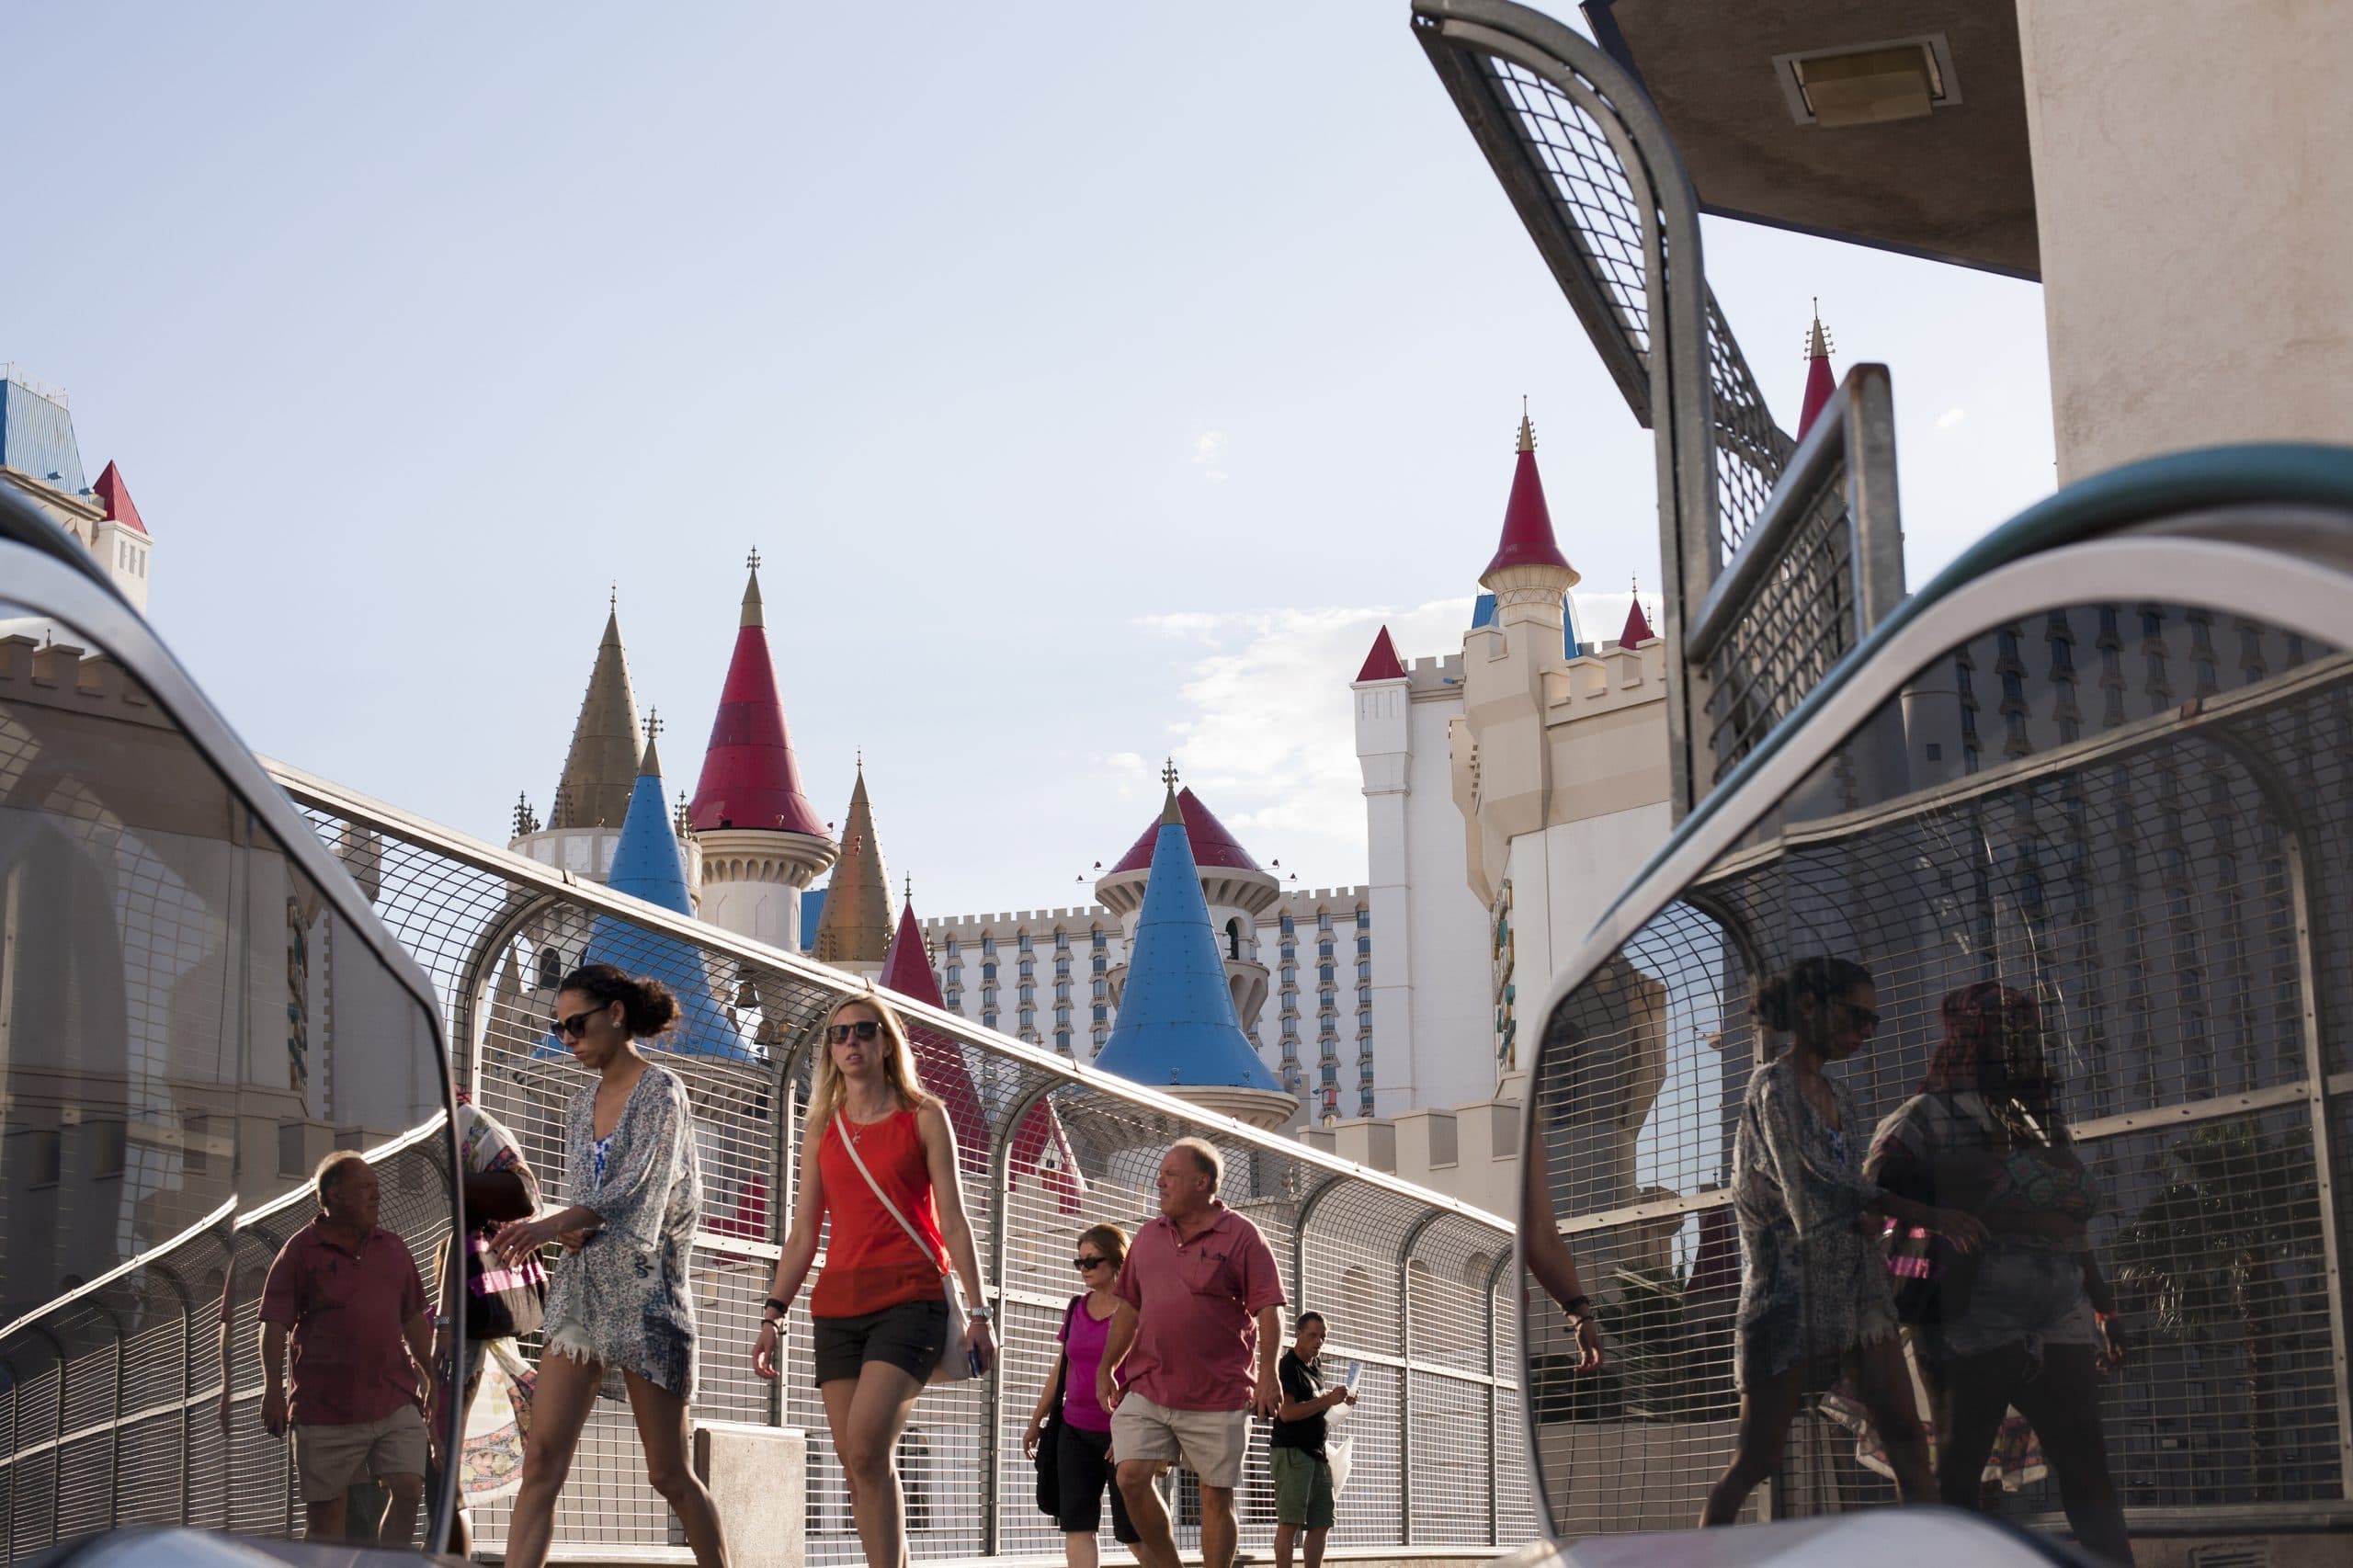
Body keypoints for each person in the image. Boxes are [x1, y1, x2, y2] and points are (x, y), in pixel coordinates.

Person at [1699, 958, 1987, 1528]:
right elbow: (1814, 1183)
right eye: (1858, 1017)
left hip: (1858, 1288)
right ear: (1811, 1007)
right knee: (1758, 1458)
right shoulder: (1772, 1086)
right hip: (1788, 1292)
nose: (1864, 1033)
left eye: (1873, 1023)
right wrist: (1918, 1212)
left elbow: (1846, 1192)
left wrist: (1870, 1217)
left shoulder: (1845, 1098)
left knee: (1907, 1438)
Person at [1867, 982, 2131, 1563]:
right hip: (1976, 1306)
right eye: (2007, 1033)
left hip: (2059, 1307)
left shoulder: (2040, 1122)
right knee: (1961, 1470)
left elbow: (2073, 1224)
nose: (2023, 1046)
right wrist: (1944, 1206)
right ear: (1970, 1038)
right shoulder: (1928, 1114)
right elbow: (1871, 1193)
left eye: (2028, 1033)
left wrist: (2104, 1307)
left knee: (2086, 1458)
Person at [490, 965, 730, 1568]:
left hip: (648, 1299)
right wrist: (566, 1229)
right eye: (558, 1027)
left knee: (669, 1475)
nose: (567, 1038)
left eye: (577, 1024)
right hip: (580, 1298)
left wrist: (555, 1223)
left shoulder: (662, 1089)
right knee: (541, 1461)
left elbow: (639, 1192)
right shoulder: (578, 1104)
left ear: (616, 1015)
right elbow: (587, 1196)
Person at [753, 993, 995, 1568]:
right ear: (829, 1051)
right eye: (838, 1035)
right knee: (855, 1460)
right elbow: (803, 1234)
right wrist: (772, 1314)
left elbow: (955, 1222)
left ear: (887, 1043)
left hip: (909, 1300)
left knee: (866, 1446)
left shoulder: (924, 1116)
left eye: (864, 1031)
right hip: (836, 1308)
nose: (851, 1042)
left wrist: (981, 1312)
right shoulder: (822, 1130)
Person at [1097, 1139, 1285, 1568]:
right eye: (1161, 1173)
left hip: (1218, 1392)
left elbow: (1269, 1310)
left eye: (1170, 1175)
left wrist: (1270, 1375)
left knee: (1215, 1495)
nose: (1159, 1181)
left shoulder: (1243, 1237)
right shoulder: (1147, 1236)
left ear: (1203, 1183)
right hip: (1148, 1384)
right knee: (1129, 1476)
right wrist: (1108, 1366)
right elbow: (1128, 1307)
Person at [252, 1151, 435, 1546]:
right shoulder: (300, 1252)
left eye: (376, 1186)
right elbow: (274, 1324)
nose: (377, 1195)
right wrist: (272, 1391)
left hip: (394, 1399)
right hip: (325, 1412)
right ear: (334, 1196)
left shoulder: (394, 1249)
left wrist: (432, 1378)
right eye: (365, 1187)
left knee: (408, 1491)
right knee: (326, 1524)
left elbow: (414, 1321)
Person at [432, 1091, 543, 1556]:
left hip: (460, 1318)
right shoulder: (397, 1129)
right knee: (429, 1472)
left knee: (441, 1466)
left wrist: (457, 1183)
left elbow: (525, 1194)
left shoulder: (462, 1122)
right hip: (412, 1313)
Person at [1023, 1222, 1143, 1568]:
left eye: (1092, 1261)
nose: (1085, 1269)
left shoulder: (1137, 1311)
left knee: (1134, 1531)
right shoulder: (1076, 1306)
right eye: (1080, 1263)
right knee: (1077, 1524)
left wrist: (1132, 1429)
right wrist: (1036, 1420)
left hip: (1120, 1432)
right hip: (1073, 1430)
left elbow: (1151, 1372)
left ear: (1118, 1260)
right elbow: (1061, 1368)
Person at [1269, 1311, 1357, 1568]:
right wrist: (1326, 1400)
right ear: (1298, 1334)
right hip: (1293, 1453)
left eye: (1323, 1336)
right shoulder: (1288, 1366)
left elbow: (1317, 1407)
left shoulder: (1315, 1367)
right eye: (1312, 1335)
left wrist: (1339, 1402)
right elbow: (1286, 1413)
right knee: (1290, 1522)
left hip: (1318, 1453)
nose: (1318, 1341)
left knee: (1321, 1521)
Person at [1520, 1130, 1605, 1372]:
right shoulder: (1522, 1127)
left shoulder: (1524, 1131)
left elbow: (1540, 1232)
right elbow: (1540, 1232)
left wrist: (1581, 1316)